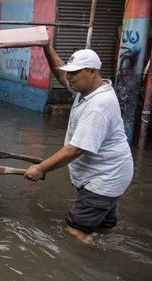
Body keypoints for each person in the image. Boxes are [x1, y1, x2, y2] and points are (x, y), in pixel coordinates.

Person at [24, 45, 133, 245]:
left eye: (74, 73)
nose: (69, 78)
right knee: (105, 228)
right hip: (113, 174)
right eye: (69, 73)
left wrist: (40, 168)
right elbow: (60, 73)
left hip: (103, 178)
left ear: (92, 71)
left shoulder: (98, 105)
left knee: (75, 231)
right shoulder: (86, 91)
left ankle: (93, 267)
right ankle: (110, 252)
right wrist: (47, 48)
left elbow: (75, 149)